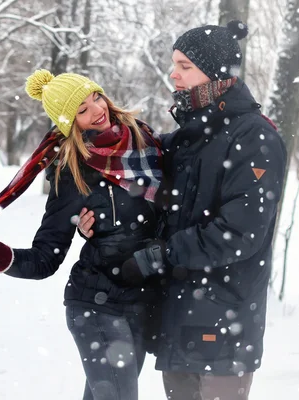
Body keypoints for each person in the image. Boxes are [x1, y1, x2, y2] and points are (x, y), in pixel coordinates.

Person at [77, 20, 287, 400]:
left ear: (217, 72)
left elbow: (240, 234)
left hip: (224, 328)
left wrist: (160, 256)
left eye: (185, 65)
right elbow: (147, 196)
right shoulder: (185, 139)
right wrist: (98, 220)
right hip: (178, 321)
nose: (172, 74)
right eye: (173, 63)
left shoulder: (255, 137)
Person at [0, 69, 163, 400]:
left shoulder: (146, 142)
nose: (97, 109)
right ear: (71, 124)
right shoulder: (74, 172)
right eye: (82, 110)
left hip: (139, 301)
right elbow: (44, 259)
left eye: (95, 96)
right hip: (97, 305)